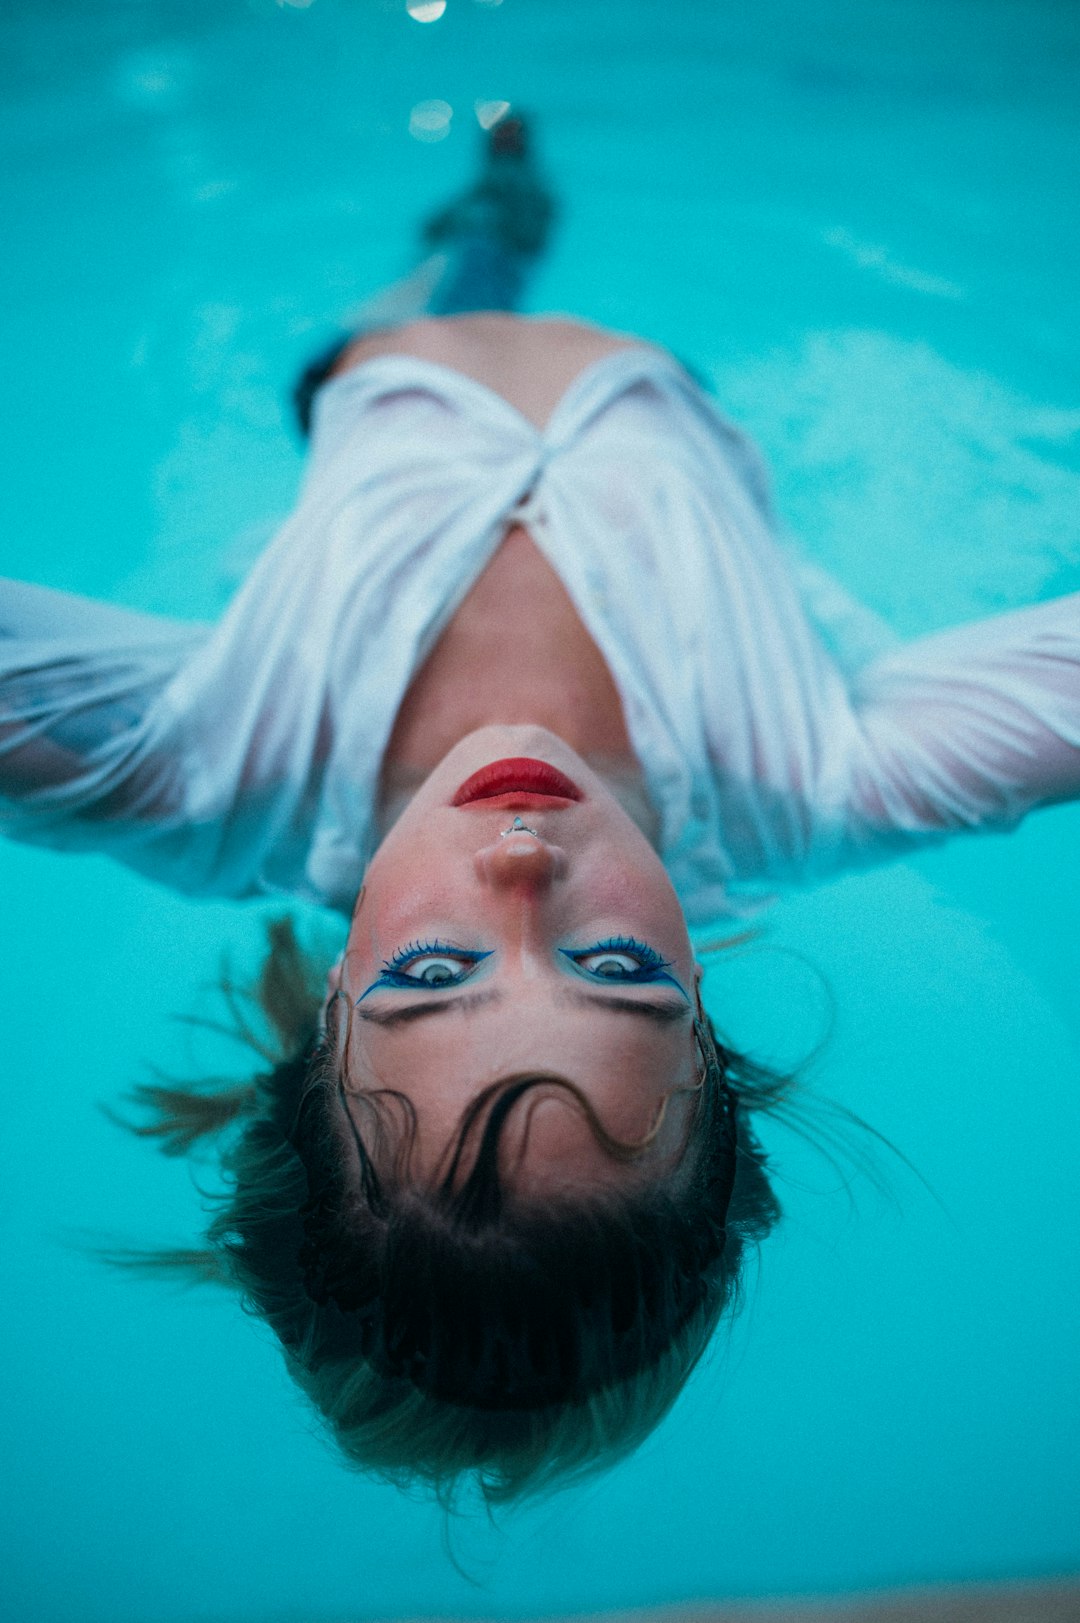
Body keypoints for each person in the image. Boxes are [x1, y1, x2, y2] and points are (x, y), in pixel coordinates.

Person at [2, 116, 1078, 1505]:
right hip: (646, 382)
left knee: (461, 260)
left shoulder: (202, 777)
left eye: (433, 975)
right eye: (616, 972)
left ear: (330, 1001)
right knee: (514, 225)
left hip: (385, 371)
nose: (521, 867)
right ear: (706, 1008)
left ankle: (483, 222)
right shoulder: (826, 781)